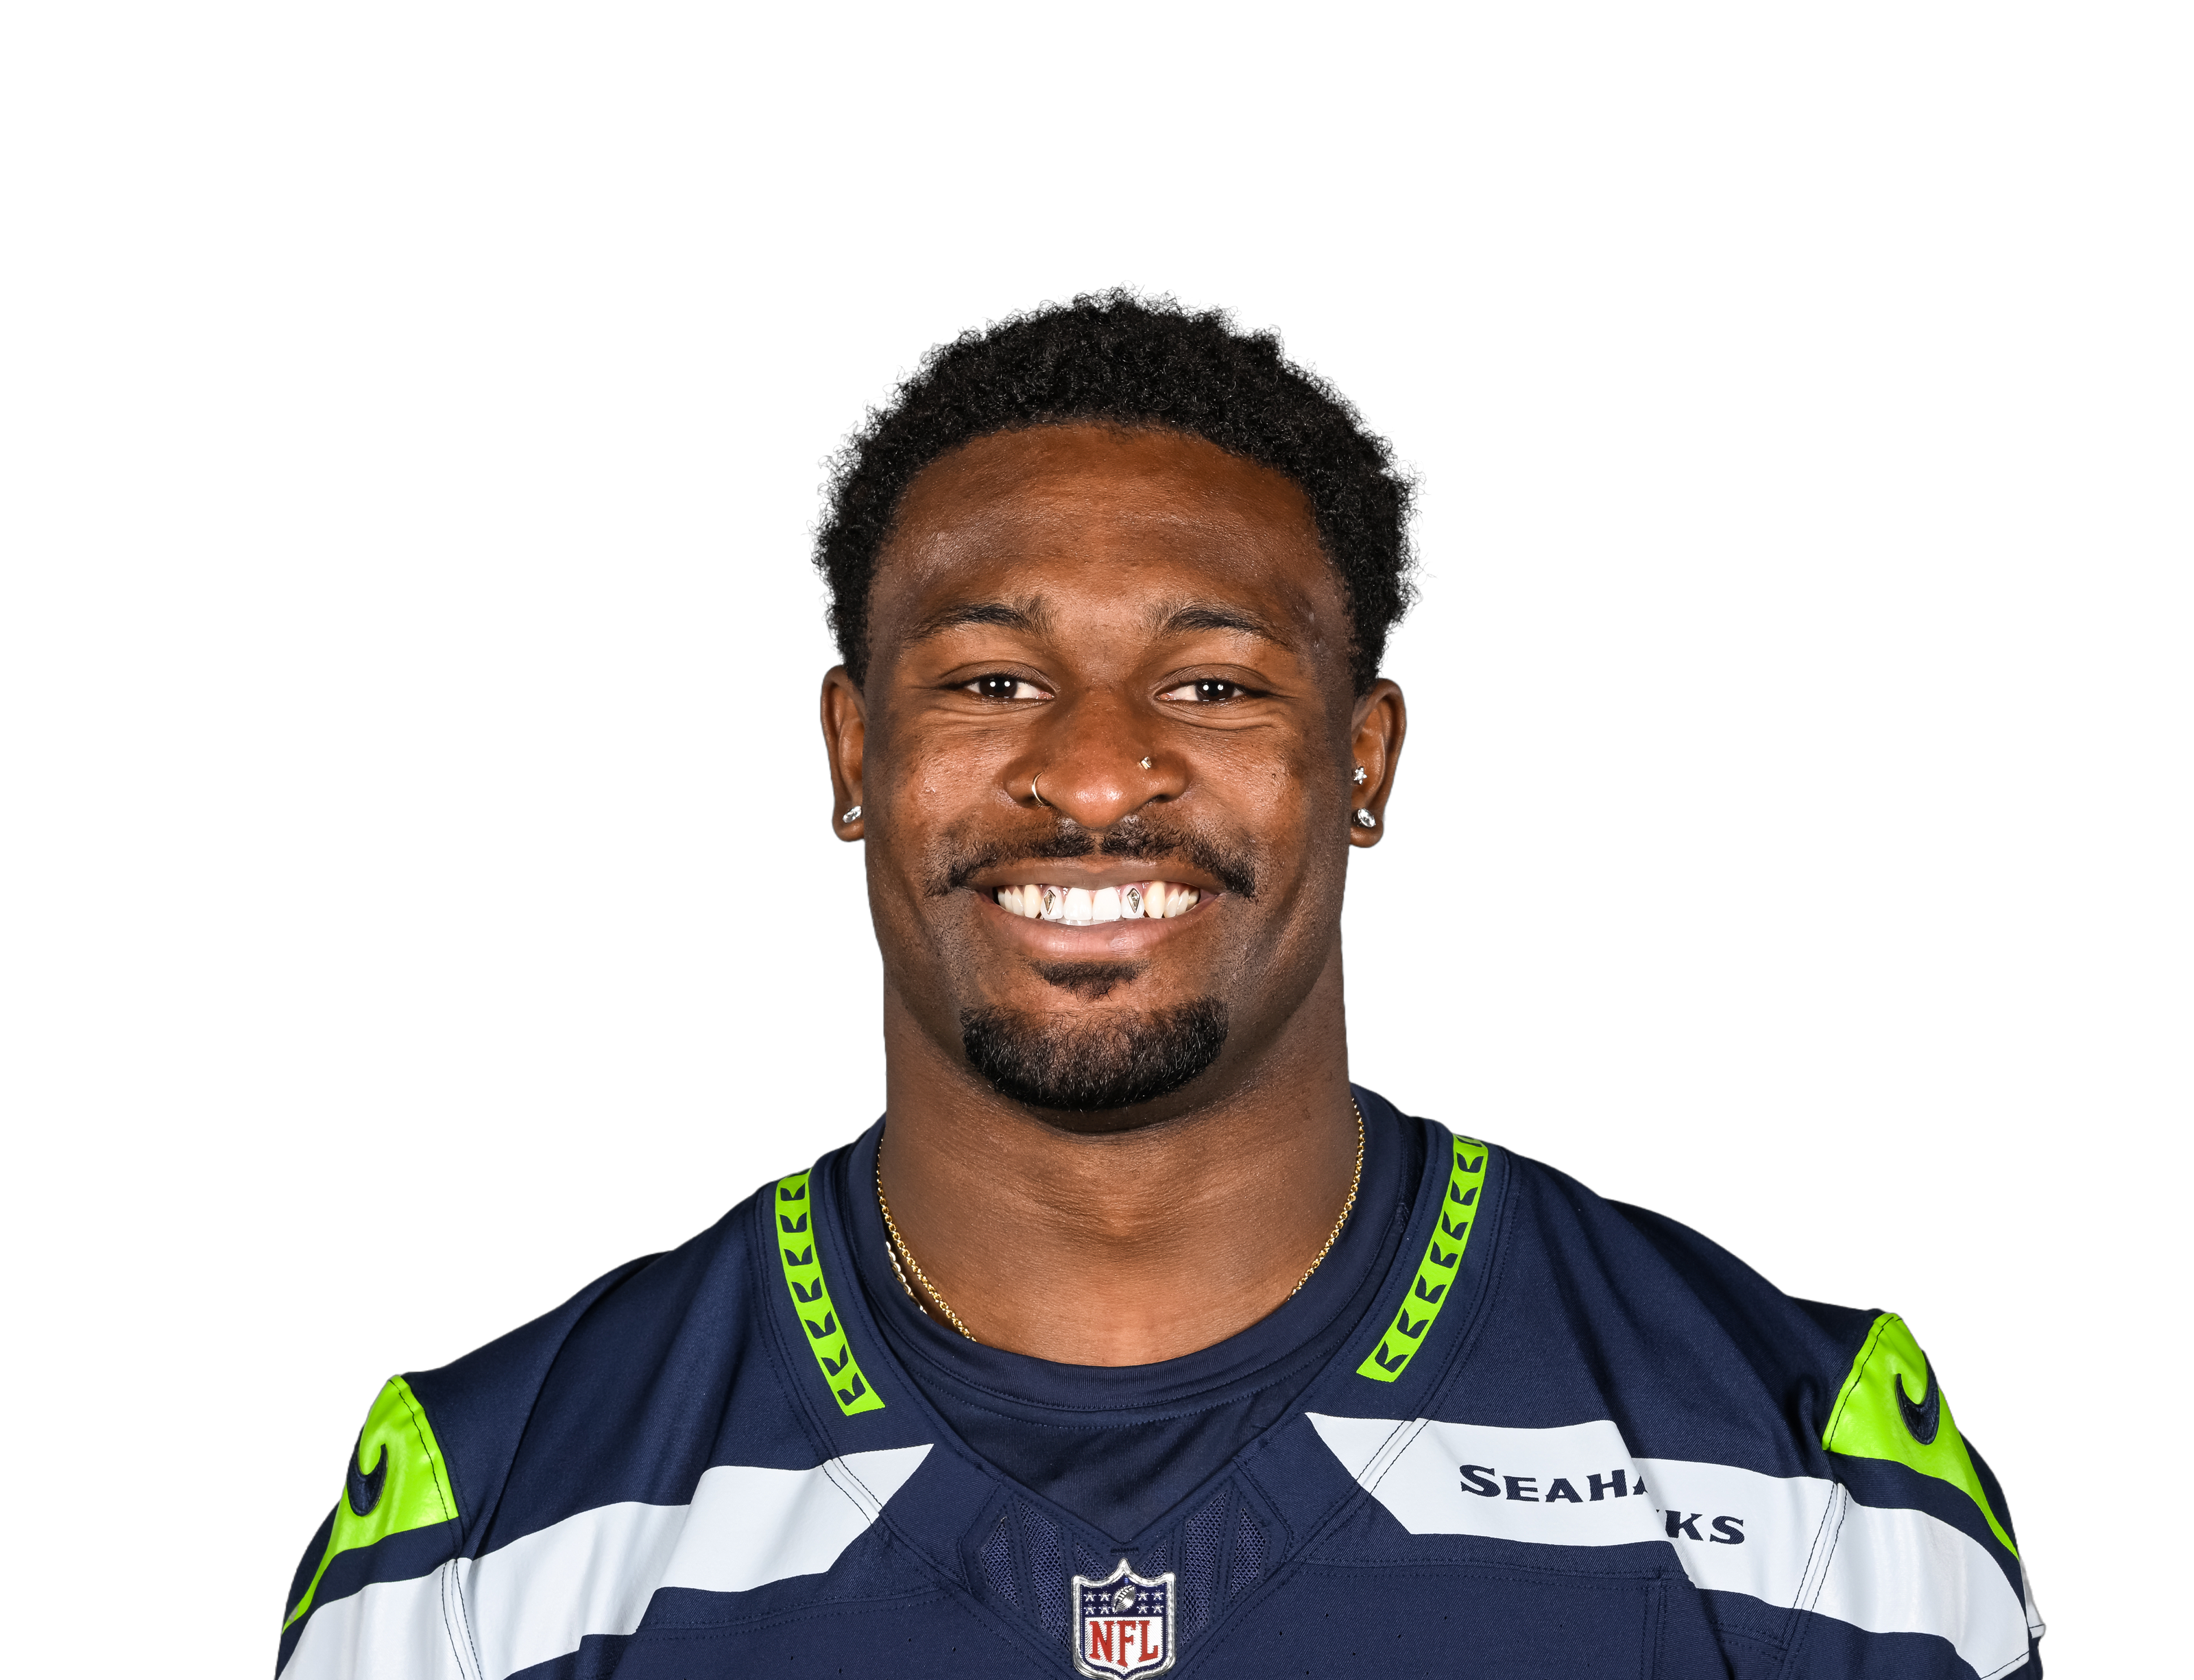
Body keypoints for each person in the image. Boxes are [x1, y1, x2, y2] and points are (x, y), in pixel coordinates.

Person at [276, 293, 2042, 1679]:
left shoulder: (1797, 1474)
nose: (1097, 772)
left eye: (1213, 686)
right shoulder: (489, 1522)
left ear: (1366, 760)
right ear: (852, 753)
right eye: (990, 681)